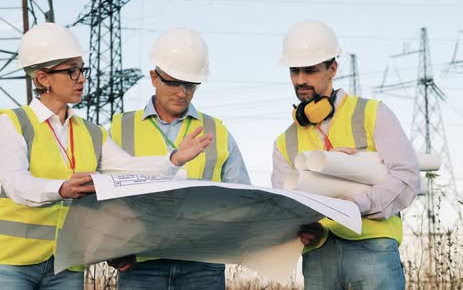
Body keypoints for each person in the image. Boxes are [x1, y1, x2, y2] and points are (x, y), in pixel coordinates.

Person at [0, 23, 213, 290]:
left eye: (82, 70)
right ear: (43, 78)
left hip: (66, 265)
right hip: (10, 264)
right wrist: (61, 188)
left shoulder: (92, 133)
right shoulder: (14, 122)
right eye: (72, 71)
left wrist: (174, 159)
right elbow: (16, 184)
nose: (81, 79)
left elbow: (128, 171)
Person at [271, 20, 420, 290]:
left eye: (310, 70)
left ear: (332, 69)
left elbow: (407, 178)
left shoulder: (372, 113)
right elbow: (284, 206)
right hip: (318, 254)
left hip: (373, 248)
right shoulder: (285, 141)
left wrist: (357, 204)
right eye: (295, 71)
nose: (301, 80)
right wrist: (300, 228)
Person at [107, 28, 251, 290]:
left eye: (190, 85)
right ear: (154, 77)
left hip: (204, 263)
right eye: (174, 82)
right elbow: (105, 197)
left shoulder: (216, 131)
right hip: (141, 264)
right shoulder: (120, 128)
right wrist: (112, 247)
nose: (182, 92)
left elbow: (242, 196)